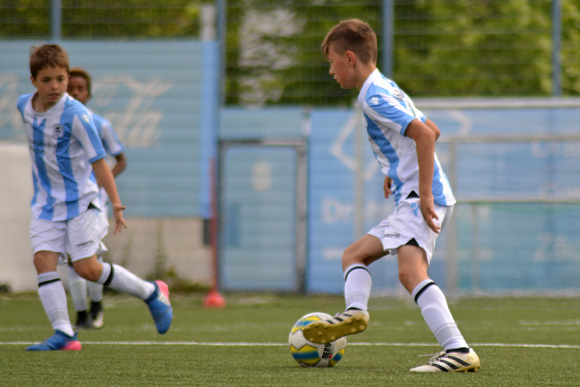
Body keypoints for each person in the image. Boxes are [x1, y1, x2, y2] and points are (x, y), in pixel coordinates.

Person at [303, 19, 480, 373]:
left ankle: (457, 348)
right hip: (414, 194)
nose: (331, 70)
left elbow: (426, 137)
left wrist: (425, 194)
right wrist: (394, 171)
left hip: (419, 198)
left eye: (332, 62)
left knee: (410, 273)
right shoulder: (387, 86)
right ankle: (355, 312)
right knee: (355, 255)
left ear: (350, 58)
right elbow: (433, 128)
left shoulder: (372, 97)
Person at [17, 44, 173, 351]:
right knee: (43, 260)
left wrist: (114, 203)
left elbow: (100, 161)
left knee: (87, 269)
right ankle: (65, 333)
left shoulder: (78, 115)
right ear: (33, 80)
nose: (56, 87)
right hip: (46, 205)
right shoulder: (23, 105)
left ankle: (151, 292)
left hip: (81, 203)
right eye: (47, 80)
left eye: (61, 79)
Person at [65, 67, 128, 330]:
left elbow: (121, 159)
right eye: (72, 88)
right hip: (65, 201)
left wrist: (102, 181)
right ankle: (80, 313)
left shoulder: (99, 124)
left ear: (88, 93)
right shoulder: (56, 123)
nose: (76, 93)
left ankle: (97, 306)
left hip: (93, 202)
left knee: (89, 258)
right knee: (70, 260)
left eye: (81, 88)